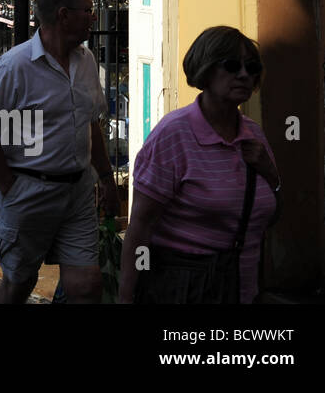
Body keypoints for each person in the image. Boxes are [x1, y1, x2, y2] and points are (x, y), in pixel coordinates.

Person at [0, 0, 118, 304]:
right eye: (89, 10)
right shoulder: (16, 66)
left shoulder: (86, 62)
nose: (94, 17)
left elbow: (90, 123)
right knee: (19, 284)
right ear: (64, 15)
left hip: (78, 192)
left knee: (86, 286)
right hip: (29, 192)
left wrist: (107, 179)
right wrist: (12, 189)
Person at [118, 26, 280, 304]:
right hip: (183, 289)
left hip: (243, 289)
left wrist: (269, 172)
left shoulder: (254, 136)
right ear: (205, 69)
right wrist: (127, 297)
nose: (243, 74)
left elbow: (270, 216)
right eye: (231, 65)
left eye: (251, 67)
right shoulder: (174, 134)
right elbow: (141, 226)